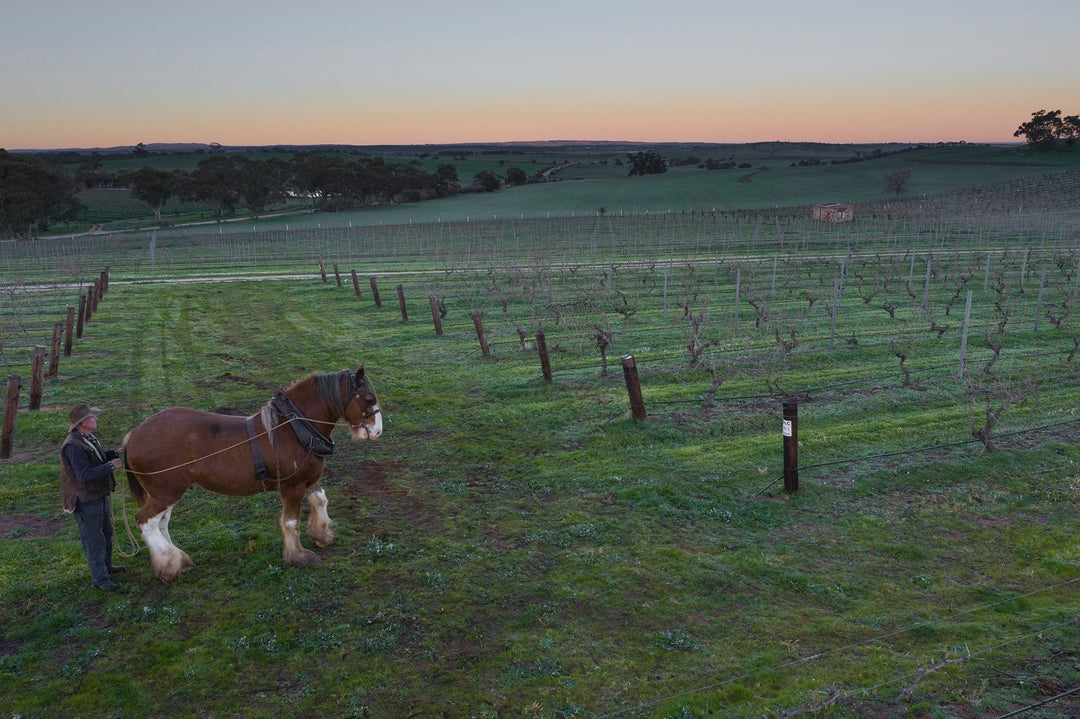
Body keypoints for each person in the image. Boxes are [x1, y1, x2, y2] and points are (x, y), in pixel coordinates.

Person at [60, 404, 125, 591]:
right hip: (86, 500)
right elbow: (84, 474)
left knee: (105, 532)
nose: (96, 419)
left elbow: (95, 457)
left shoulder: (86, 438)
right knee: (93, 539)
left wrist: (113, 453)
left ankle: (106, 568)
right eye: (92, 418)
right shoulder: (73, 446)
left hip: (97, 494)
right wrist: (111, 466)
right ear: (83, 423)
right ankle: (100, 580)